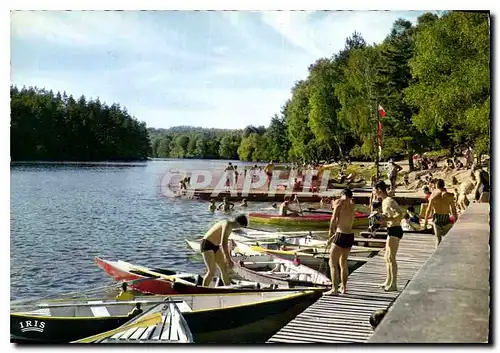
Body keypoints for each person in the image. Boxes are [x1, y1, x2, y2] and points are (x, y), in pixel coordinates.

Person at [200, 214, 248, 287]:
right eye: (241, 227)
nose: (239, 228)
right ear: (238, 223)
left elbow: (223, 240)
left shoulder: (228, 225)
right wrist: (228, 259)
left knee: (224, 269)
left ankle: (228, 287)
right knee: (212, 271)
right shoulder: (228, 225)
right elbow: (223, 243)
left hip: (215, 246)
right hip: (207, 244)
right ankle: (204, 289)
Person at [324, 188, 355, 295]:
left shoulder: (339, 202)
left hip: (340, 235)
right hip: (350, 235)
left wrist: (330, 233)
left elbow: (333, 218)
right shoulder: (352, 205)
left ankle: (334, 289)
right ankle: (344, 288)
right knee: (343, 262)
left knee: (332, 262)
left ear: (342, 194)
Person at [375, 180, 404, 292]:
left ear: (379, 190)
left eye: (375, 190)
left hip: (395, 230)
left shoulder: (389, 201)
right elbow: (388, 216)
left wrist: (388, 219)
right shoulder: (384, 201)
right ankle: (388, 280)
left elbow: (399, 214)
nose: (374, 192)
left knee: (391, 257)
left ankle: (394, 284)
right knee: (386, 257)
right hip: (390, 229)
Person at [424, 179, 458, 248]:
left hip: (437, 219)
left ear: (436, 185)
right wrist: (456, 220)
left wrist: (426, 222)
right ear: (444, 185)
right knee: (448, 239)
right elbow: (453, 210)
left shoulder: (433, 196)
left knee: (438, 240)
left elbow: (428, 210)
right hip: (446, 218)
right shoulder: (450, 196)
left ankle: (437, 255)